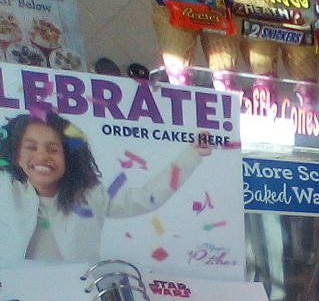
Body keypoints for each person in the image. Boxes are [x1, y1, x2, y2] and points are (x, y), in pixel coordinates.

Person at [0, 109, 211, 264]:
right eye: (30, 147)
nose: (42, 156)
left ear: (69, 157)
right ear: (16, 155)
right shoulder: (5, 189)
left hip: (76, 292)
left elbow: (147, 197)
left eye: (53, 149)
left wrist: (191, 155)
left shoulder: (91, 197)